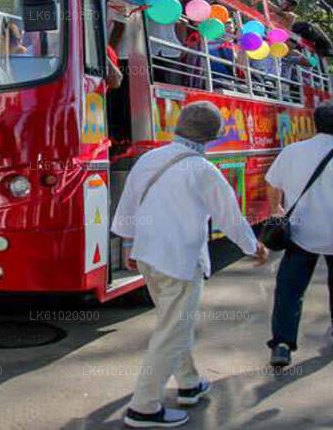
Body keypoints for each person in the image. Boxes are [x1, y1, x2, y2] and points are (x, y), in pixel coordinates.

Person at [111, 101, 269, 428]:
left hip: (146, 256)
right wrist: (254, 247)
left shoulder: (149, 159)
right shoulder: (203, 170)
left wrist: (128, 242)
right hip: (179, 263)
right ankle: (143, 407)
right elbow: (231, 218)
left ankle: (188, 383)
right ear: (212, 136)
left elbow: (127, 205)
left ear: (179, 125)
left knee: (172, 323)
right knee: (171, 332)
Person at [266, 102, 333, 368]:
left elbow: (272, 184)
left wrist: (276, 210)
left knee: (290, 288)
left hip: (300, 233)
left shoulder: (292, 152)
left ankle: (281, 344)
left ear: (316, 123)